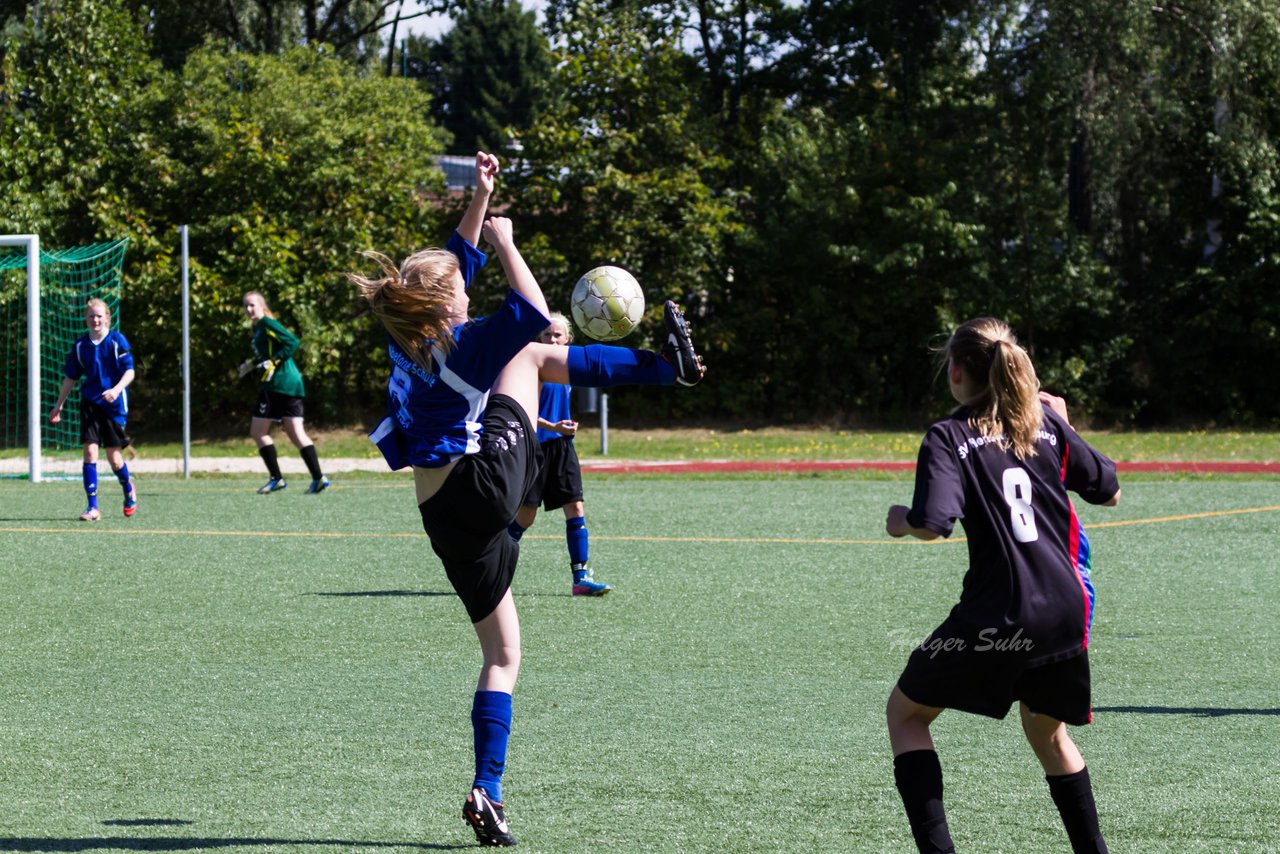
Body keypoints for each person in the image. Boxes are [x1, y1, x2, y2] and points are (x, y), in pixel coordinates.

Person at [347, 151, 703, 848]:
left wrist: (479, 200)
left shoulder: (407, 336)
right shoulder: (467, 341)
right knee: (536, 351)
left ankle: (489, 788)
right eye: (461, 291)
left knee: (504, 653)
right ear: (444, 305)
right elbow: (537, 311)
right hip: (482, 488)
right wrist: (508, 242)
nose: (468, 295)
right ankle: (669, 372)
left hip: (443, 520)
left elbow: (453, 263)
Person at [883, 317, 1120, 854]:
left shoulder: (948, 435)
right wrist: (1065, 425)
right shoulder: (1047, 425)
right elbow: (1110, 492)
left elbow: (933, 523)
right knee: (1049, 736)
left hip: (998, 616)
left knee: (906, 714)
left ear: (958, 371)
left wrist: (899, 518)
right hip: (1065, 612)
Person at [506, 312, 611, 597]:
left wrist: (565, 426)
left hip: (563, 448)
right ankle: (493, 565)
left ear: (567, 340)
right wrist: (552, 425)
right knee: (526, 515)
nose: (552, 340)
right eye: (546, 335)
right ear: (538, 339)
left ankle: (581, 578)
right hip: (534, 449)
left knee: (575, 508)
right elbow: (524, 409)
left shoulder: (568, 369)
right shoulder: (535, 368)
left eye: (557, 335)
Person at [48, 299, 138, 522]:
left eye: (99, 316)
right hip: (90, 403)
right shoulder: (81, 346)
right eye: (91, 316)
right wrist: (59, 405)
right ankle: (93, 507)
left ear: (107, 317)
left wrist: (116, 390)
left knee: (114, 458)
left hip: (114, 405)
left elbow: (130, 372)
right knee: (90, 453)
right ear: (86, 318)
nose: (95, 320)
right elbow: (71, 377)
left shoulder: (117, 341)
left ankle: (128, 488)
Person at [239, 291, 330, 495]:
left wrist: (274, 361)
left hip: (278, 385)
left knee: (258, 432)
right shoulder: (259, 328)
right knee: (295, 433)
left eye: (252, 305)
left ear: (262, 306)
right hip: (292, 384)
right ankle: (318, 478)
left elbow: (293, 342)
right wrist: (252, 364)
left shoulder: (267, 324)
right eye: (245, 306)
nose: (249, 309)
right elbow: (267, 354)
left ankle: (276, 478)